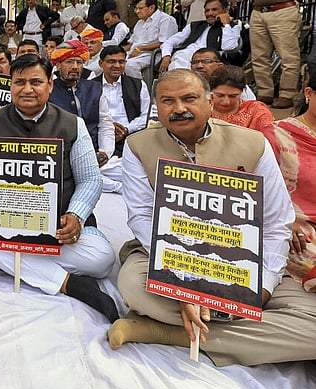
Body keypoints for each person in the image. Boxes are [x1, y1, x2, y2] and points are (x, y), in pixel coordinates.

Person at [107, 69, 310, 368]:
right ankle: (238, 327)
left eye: (189, 98)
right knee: (135, 288)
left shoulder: (253, 144)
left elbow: (276, 221)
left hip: (242, 258)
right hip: (168, 255)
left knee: (313, 327)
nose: (179, 109)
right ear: (157, 107)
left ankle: (166, 332)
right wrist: (184, 285)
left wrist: (263, 287)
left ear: (210, 102)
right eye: (168, 101)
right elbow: (142, 217)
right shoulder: (139, 146)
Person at [0, 54, 119, 322]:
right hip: (7, 219)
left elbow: (90, 180)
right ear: (10, 85)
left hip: (57, 227)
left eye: (35, 82)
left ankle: (5, 260)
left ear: (50, 84)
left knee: (103, 259)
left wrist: (76, 216)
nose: (27, 89)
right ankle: (70, 284)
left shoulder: (72, 124)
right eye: (19, 82)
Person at [264, 84, 316, 291]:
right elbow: (256, 186)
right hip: (297, 225)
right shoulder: (275, 135)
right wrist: (286, 219)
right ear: (308, 94)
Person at [49, 41, 115, 163]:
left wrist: (105, 152)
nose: (75, 66)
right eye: (69, 62)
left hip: (94, 155)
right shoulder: (48, 90)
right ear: (58, 65)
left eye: (79, 62)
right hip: (60, 158)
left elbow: (105, 124)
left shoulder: (95, 88)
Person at [159, 0, 240, 72]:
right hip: (182, 57)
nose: (209, 13)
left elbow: (229, 47)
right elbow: (170, 41)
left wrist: (226, 24)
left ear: (225, 11)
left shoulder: (232, 27)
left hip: (204, 60)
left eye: (214, 10)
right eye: (207, 10)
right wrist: (166, 56)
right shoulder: (194, 25)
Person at [93, 45, 149, 155]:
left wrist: (126, 129)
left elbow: (146, 115)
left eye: (121, 62)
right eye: (111, 62)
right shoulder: (90, 86)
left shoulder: (138, 85)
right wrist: (108, 128)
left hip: (131, 137)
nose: (117, 66)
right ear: (101, 63)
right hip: (98, 139)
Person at [124, 0, 178, 78]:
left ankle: (139, 89)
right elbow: (132, 42)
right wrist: (119, 50)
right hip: (135, 53)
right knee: (111, 61)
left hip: (153, 54)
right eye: (136, 9)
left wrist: (140, 49)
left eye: (140, 8)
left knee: (129, 66)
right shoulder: (140, 22)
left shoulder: (166, 20)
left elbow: (163, 42)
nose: (137, 11)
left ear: (151, 7)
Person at [209, 65, 274, 132]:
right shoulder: (201, 110)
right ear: (210, 91)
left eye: (233, 96)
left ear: (242, 92)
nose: (226, 102)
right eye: (220, 95)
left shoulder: (256, 111)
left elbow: (269, 137)